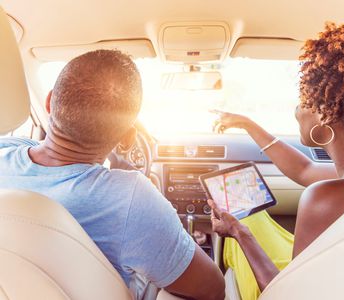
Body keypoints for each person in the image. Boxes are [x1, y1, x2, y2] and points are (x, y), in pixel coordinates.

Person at [0, 50, 225, 300]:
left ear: (49, 102)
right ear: (128, 137)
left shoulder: (6, 150)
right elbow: (212, 289)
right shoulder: (130, 198)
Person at [209, 14, 344, 300]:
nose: (297, 110)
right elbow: (304, 169)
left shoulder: (325, 198)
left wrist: (238, 233)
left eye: (304, 100)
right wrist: (247, 124)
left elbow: (288, 294)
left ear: (325, 114)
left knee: (247, 223)